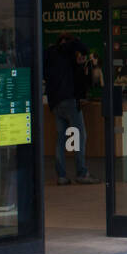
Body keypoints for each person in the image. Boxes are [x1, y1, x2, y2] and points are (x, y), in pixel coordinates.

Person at [44, 32, 95, 185]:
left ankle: (61, 175)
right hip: (69, 100)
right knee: (80, 135)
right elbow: (84, 48)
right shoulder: (66, 51)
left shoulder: (49, 55)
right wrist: (76, 42)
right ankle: (81, 172)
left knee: (61, 139)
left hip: (55, 103)